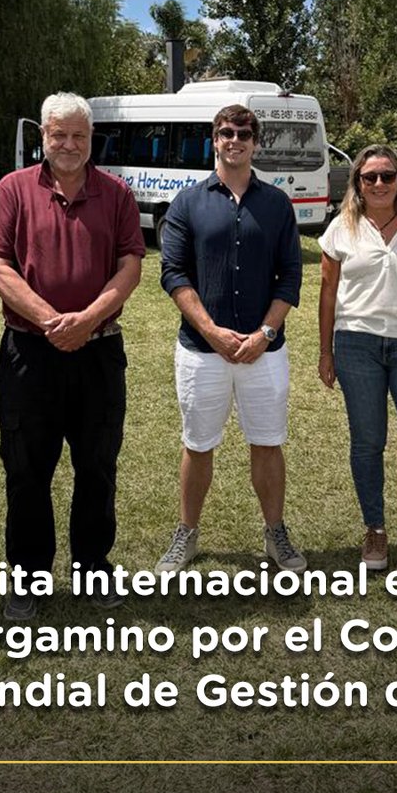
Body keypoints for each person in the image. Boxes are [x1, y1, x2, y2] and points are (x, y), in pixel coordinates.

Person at [0, 91, 144, 618]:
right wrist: (52, 322)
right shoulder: (13, 190)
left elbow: (130, 267)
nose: (69, 144)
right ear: (43, 138)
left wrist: (88, 319)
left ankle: (93, 569)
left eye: (79, 135)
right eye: (59, 135)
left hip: (98, 353)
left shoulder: (116, 193)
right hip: (30, 353)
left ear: (91, 139)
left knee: (97, 465)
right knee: (26, 468)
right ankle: (28, 577)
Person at [156, 104, 304, 574]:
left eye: (243, 132)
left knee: (267, 442)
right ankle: (187, 534)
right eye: (225, 132)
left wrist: (265, 333)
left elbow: (291, 276)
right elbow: (173, 273)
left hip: (264, 352)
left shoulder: (277, 204)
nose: (234, 139)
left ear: (255, 142)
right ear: (214, 140)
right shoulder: (187, 202)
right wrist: (212, 332)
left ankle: (275, 534)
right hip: (203, 351)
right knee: (198, 444)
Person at [318, 144, 397, 574]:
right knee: (368, 441)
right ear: (357, 182)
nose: (378, 184)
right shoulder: (342, 227)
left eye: (387, 176)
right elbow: (327, 293)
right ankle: (374, 529)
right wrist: (325, 351)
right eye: (369, 176)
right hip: (357, 346)